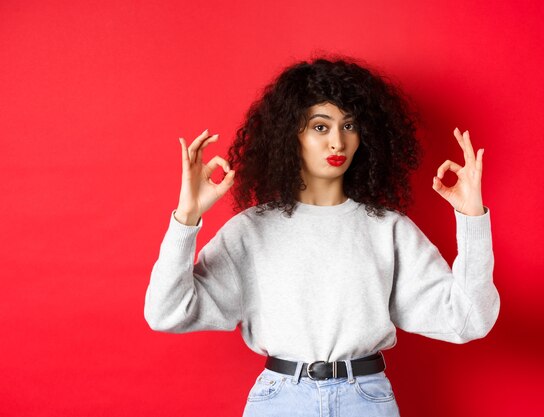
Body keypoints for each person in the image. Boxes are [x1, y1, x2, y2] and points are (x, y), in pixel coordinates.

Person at [144, 56, 500, 417]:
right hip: (280, 400)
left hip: (366, 399)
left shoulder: (387, 230)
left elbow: (469, 320)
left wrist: (472, 219)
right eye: (320, 127)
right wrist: (186, 218)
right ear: (290, 134)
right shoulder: (251, 231)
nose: (337, 143)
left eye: (349, 126)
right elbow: (167, 313)